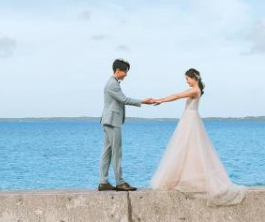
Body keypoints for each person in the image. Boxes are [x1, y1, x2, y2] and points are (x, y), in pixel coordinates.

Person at [149, 68, 246, 206]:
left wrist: (161, 100)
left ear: (194, 77)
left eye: (188, 79)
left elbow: (177, 95)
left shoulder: (195, 90)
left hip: (191, 121)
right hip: (188, 119)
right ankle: (183, 177)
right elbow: (178, 95)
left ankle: (191, 178)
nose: (187, 81)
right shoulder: (194, 90)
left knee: (189, 148)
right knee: (186, 149)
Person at [98, 58, 154, 192]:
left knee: (107, 152)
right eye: (125, 72)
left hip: (108, 120)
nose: (126, 75)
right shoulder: (113, 84)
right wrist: (143, 101)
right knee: (117, 152)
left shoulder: (112, 83)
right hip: (112, 121)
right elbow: (124, 100)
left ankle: (103, 182)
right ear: (118, 71)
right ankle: (120, 182)